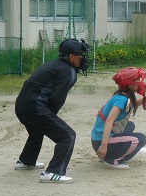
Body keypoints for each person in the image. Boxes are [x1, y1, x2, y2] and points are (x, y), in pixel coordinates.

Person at [14, 38, 91, 183]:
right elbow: (57, 98)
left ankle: (26, 161)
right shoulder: (68, 71)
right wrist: (51, 117)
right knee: (67, 135)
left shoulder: (54, 65)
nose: (84, 60)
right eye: (81, 57)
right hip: (34, 107)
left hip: (21, 105)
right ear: (72, 57)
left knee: (37, 131)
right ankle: (53, 173)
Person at [91, 67, 146, 169]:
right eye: (137, 80)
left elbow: (132, 104)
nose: (140, 83)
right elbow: (109, 120)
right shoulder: (122, 99)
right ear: (130, 85)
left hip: (98, 139)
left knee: (130, 125)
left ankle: (111, 153)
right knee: (140, 139)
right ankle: (112, 160)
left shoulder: (122, 95)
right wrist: (104, 146)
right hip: (100, 143)